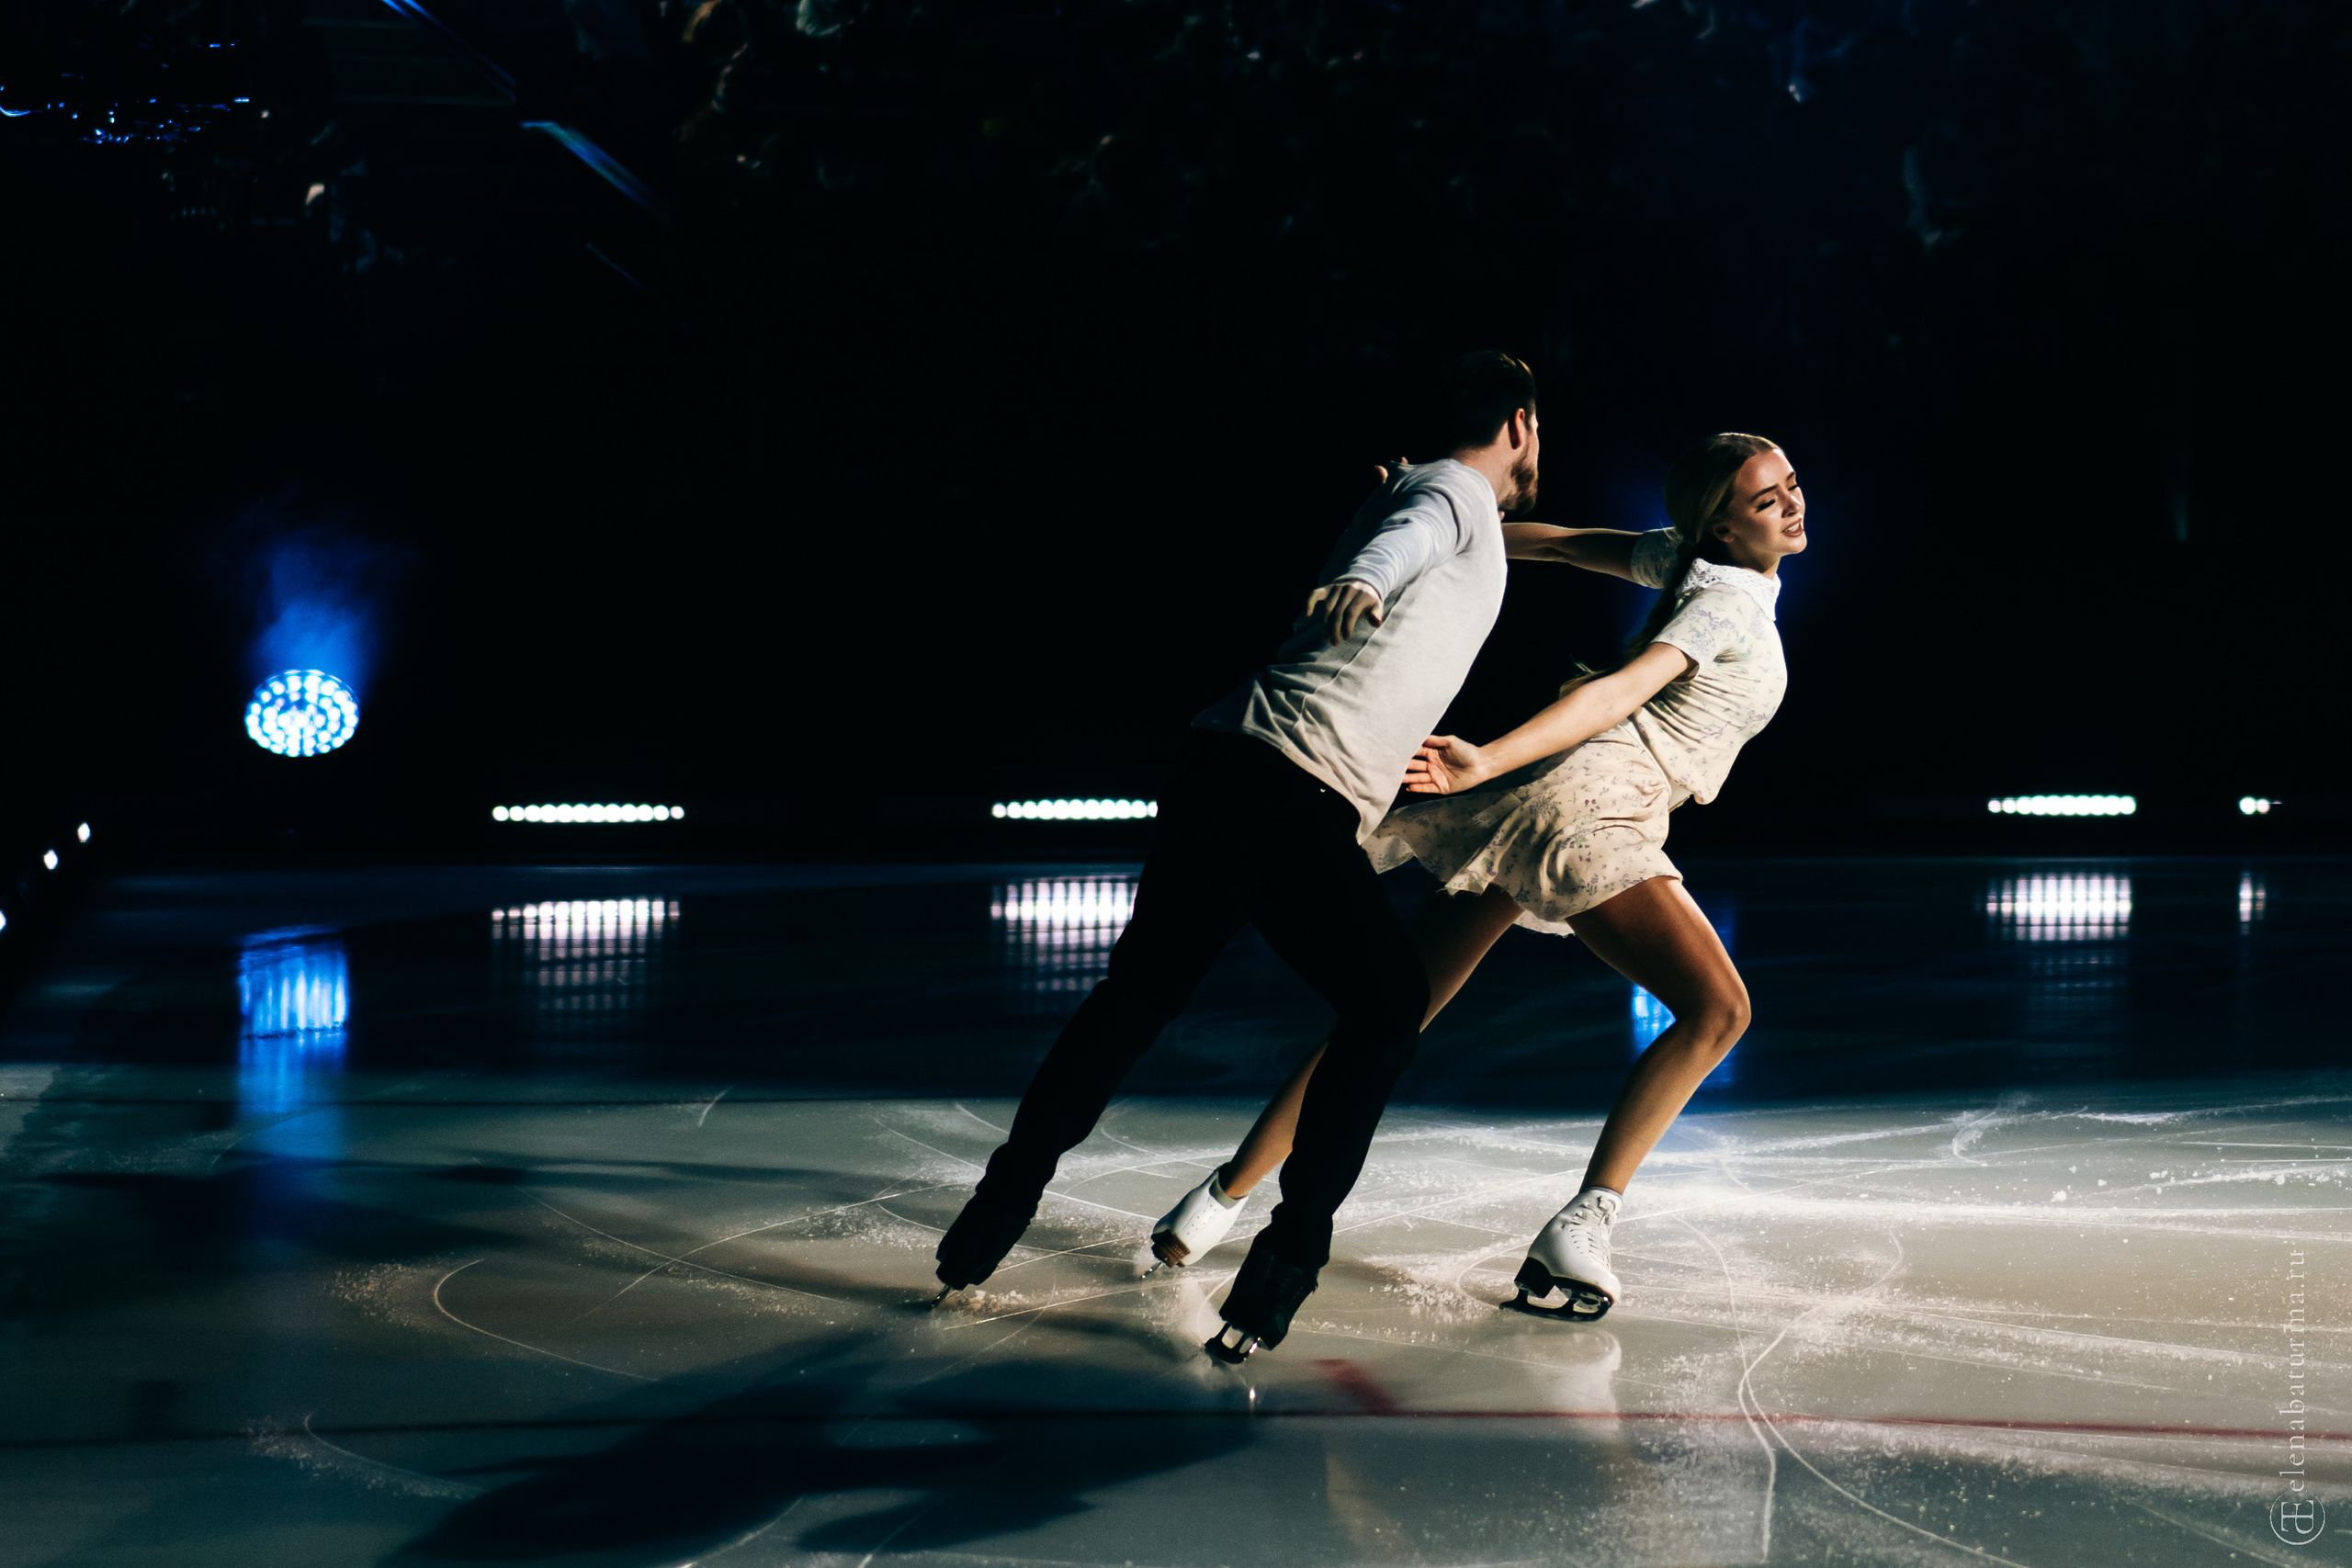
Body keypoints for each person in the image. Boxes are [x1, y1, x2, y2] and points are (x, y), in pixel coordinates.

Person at [933, 351, 1543, 1362]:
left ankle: (994, 1214)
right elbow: (1411, 535)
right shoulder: (1454, 494)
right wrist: (1362, 573)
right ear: (1520, 423)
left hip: (1223, 759)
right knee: (1388, 1005)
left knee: (1136, 997)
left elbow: (1452, 528)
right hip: (1286, 785)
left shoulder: (1444, 497)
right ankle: (1285, 1262)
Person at [1148, 432, 1805, 1322]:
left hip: (1564, 792)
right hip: (1591, 801)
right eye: (1767, 500)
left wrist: (1442, 508)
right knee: (1718, 1010)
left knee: (1395, 1010)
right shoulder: (1724, 602)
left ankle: (1216, 1202)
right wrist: (1484, 761)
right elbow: (1614, 692)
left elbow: (1565, 543)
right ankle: (1583, 1223)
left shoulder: (1687, 560)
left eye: (1790, 486)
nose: (1793, 505)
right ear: (1723, 529)